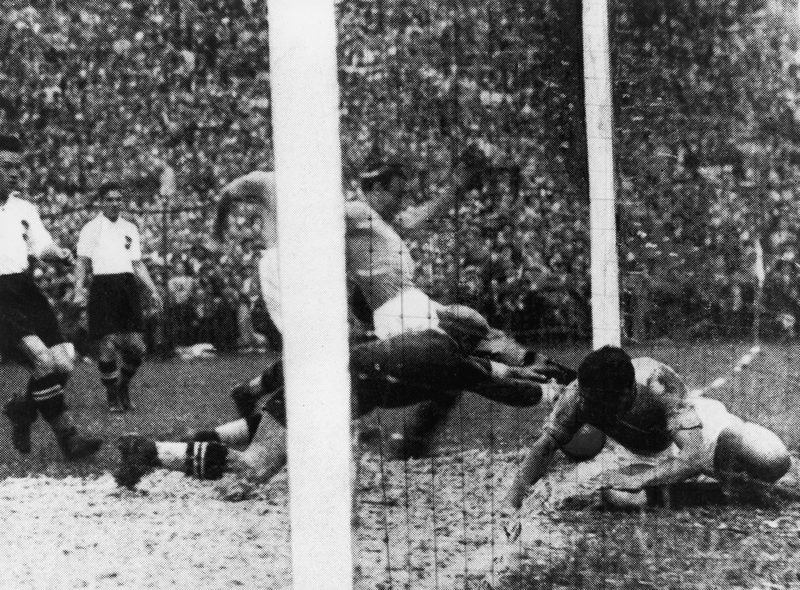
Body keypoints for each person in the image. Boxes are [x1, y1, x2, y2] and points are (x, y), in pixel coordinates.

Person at [114, 170, 555, 487]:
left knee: (303, 402)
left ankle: (180, 442)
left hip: (331, 360)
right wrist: (553, 390)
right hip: (309, 307)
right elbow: (496, 379)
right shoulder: (278, 187)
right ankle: (175, 442)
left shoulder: (431, 336)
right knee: (271, 448)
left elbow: (490, 373)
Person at [504, 346, 791, 512]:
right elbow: (545, 447)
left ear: (629, 392)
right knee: (615, 497)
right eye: (590, 401)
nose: (593, 411)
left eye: (605, 404)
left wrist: (644, 477)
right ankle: (719, 493)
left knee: (772, 459)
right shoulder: (579, 396)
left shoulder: (656, 382)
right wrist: (512, 500)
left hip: (697, 437)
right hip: (650, 455)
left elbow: (691, 451)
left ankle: (718, 481)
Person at [0, 133, 102, 459]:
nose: (13, 174)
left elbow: (40, 246)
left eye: (16, 167)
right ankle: (69, 439)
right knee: (42, 361)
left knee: (64, 362)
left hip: (24, 288)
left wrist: (57, 252)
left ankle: (22, 409)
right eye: (5, 167)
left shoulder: (23, 207)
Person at [74, 180, 162, 412]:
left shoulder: (130, 228)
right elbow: (82, 262)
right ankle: (112, 396)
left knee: (138, 348)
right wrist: (78, 289)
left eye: (118, 199)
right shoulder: (90, 228)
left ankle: (122, 386)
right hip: (103, 286)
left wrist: (152, 288)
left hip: (127, 287)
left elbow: (138, 263)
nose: (115, 203)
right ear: (101, 202)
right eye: (110, 199)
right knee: (108, 345)